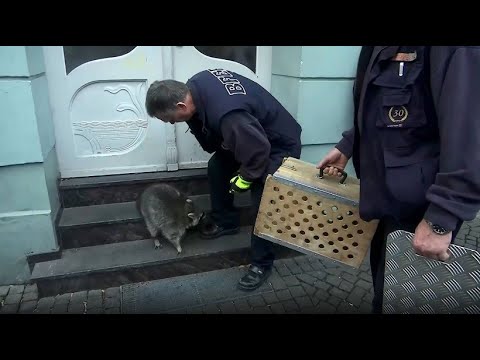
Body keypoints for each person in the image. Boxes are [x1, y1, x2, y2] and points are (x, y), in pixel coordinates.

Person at [317, 46, 480, 313]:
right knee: (384, 294)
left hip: (422, 209)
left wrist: (441, 218)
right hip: (385, 197)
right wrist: (349, 144)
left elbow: (468, 133)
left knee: (406, 301)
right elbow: (380, 100)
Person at [145, 68, 302, 290]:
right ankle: (226, 221)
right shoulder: (195, 85)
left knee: (264, 197)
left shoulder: (228, 114)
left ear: (181, 105)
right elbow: (211, 138)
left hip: (276, 144)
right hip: (251, 136)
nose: (172, 123)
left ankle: (261, 264)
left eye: (170, 119)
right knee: (217, 166)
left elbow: (258, 151)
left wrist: (245, 178)